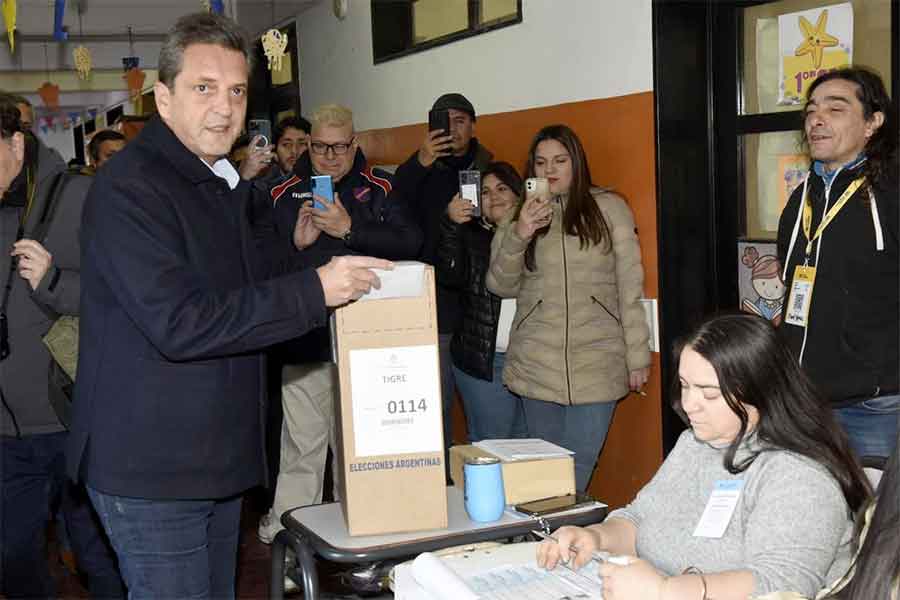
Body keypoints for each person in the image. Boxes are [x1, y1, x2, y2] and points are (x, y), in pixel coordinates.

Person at [67, 14, 390, 599]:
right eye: (203, 88)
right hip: (152, 467)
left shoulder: (218, 182)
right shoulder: (130, 189)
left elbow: (245, 288)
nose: (224, 106)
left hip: (212, 458)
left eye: (237, 90)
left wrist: (325, 272)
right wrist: (316, 289)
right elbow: (182, 321)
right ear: (163, 98)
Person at [537, 313, 871, 600]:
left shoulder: (799, 476)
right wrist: (596, 537)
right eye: (684, 385)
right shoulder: (694, 444)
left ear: (760, 390)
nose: (689, 404)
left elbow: (781, 586)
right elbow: (639, 520)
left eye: (709, 393)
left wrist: (666, 592)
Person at [256, 103, 422, 543]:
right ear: (308, 144)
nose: (330, 157)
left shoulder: (382, 186)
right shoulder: (279, 191)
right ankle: (290, 545)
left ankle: (358, 541)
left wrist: (350, 230)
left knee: (358, 451)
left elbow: (413, 244)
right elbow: (260, 273)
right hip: (304, 342)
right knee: (302, 450)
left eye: (340, 147)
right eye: (321, 147)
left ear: (355, 143)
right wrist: (296, 244)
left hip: (370, 346)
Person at [0, 94, 124, 598]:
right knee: (11, 555)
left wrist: (52, 282)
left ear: (15, 141)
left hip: (77, 417)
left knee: (102, 559)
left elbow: (124, 293)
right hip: (7, 431)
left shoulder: (79, 195)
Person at [486, 124, 650, 490]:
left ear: (576, 163)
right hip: (536, 363)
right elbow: (499, 284)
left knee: (577, 472)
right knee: (543, 475)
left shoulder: (610, 208)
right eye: (541, 162)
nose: (550, 170)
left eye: (560, 160)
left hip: (598, 361)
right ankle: (545, 544)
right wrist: (521, 233)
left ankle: (568, 542)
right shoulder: (517, 216)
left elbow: (629, 287)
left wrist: (637, 356)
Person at [776, 66, 899, 461]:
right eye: (811, 109)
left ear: (872, 123)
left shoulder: (892, 191)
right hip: (803, 406)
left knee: (879, 523)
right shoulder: (801, 200)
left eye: (836, 108)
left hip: (877, 408)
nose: (817, 118)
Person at [393, 92, 493, 464]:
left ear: (474, 126)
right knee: (434, 407)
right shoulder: (418, 171)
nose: (453, 129)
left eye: (461, 120)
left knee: (484, 411)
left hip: (479, 308)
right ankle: (439, 484)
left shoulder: (489, 169)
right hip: (433, 307)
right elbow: (394, 207)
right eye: (445, 121)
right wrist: (421, 162)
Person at [436, 161, 526, 441]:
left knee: (529, 449)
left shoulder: (538, 233)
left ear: (518, 193)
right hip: (485, 359)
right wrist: (451, 225)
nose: (494, 196)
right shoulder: (469, 235)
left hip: (533, 361)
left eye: (502, 188)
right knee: (493, 446)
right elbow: (449, 274)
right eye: (485, 192)